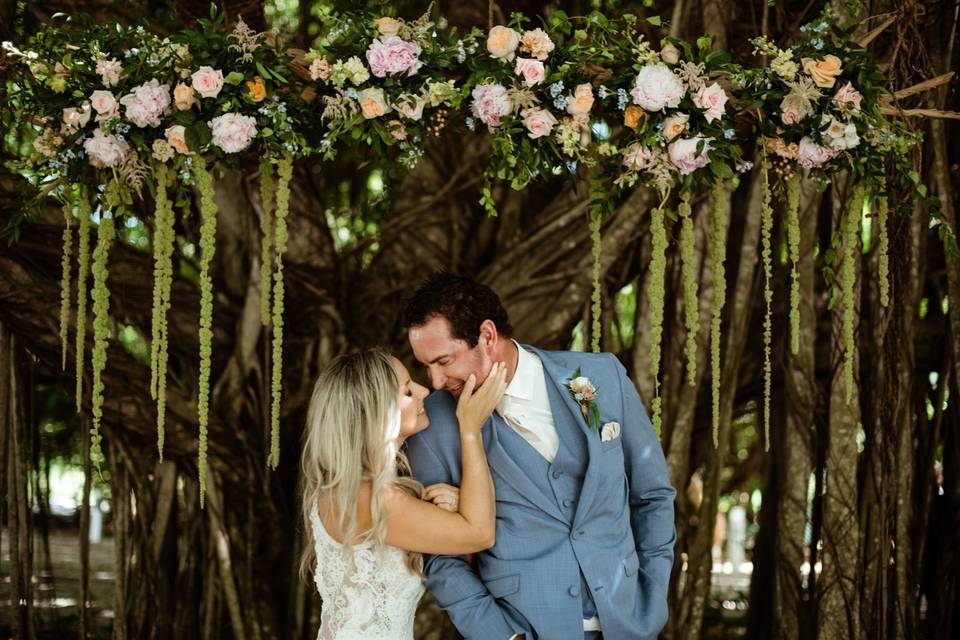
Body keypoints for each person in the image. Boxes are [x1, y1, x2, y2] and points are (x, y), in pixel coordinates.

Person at [403, 273, 676, 640]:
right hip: (526, 630)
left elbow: (654, 494)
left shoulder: (598, 377)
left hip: (629, 624)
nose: (435, 381)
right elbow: (438, 555)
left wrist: (653, 598)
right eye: (426, 366)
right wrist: (500, 636)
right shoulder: (432, 424)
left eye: (443, 361)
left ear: (486, 336)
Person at [299, 348, 507, 640]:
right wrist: (470, 429)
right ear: (375, 413)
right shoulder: (370, 499)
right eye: (408, 391)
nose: (424, 390)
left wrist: (448, 508)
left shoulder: (356, 492)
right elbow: (480, 533)